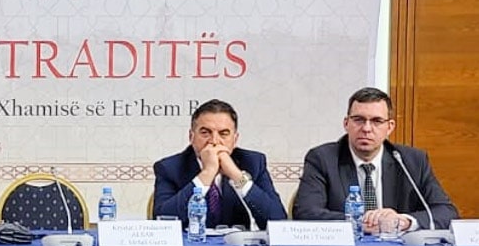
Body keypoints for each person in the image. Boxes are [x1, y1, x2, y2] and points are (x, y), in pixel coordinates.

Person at [292, 86, 458, 232]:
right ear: (346, 123)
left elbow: (446, 212)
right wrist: (363, 222)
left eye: (377, 121)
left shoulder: (412, 161)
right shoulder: (323, 159)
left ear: (389, 127)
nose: (366, 128)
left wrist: (404, 221)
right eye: (359, 120)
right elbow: (305, 212)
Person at [152, 99, 287, 230]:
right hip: (191, 244)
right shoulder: (169, 168)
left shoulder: (253, 162)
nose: (214, 141)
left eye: (224, 134)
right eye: (205, 133)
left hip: (237, 245)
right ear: (191, 137)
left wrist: (236, 175)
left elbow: (278, 221)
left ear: (235, 139)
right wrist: (207, 173)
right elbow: (163, 223)